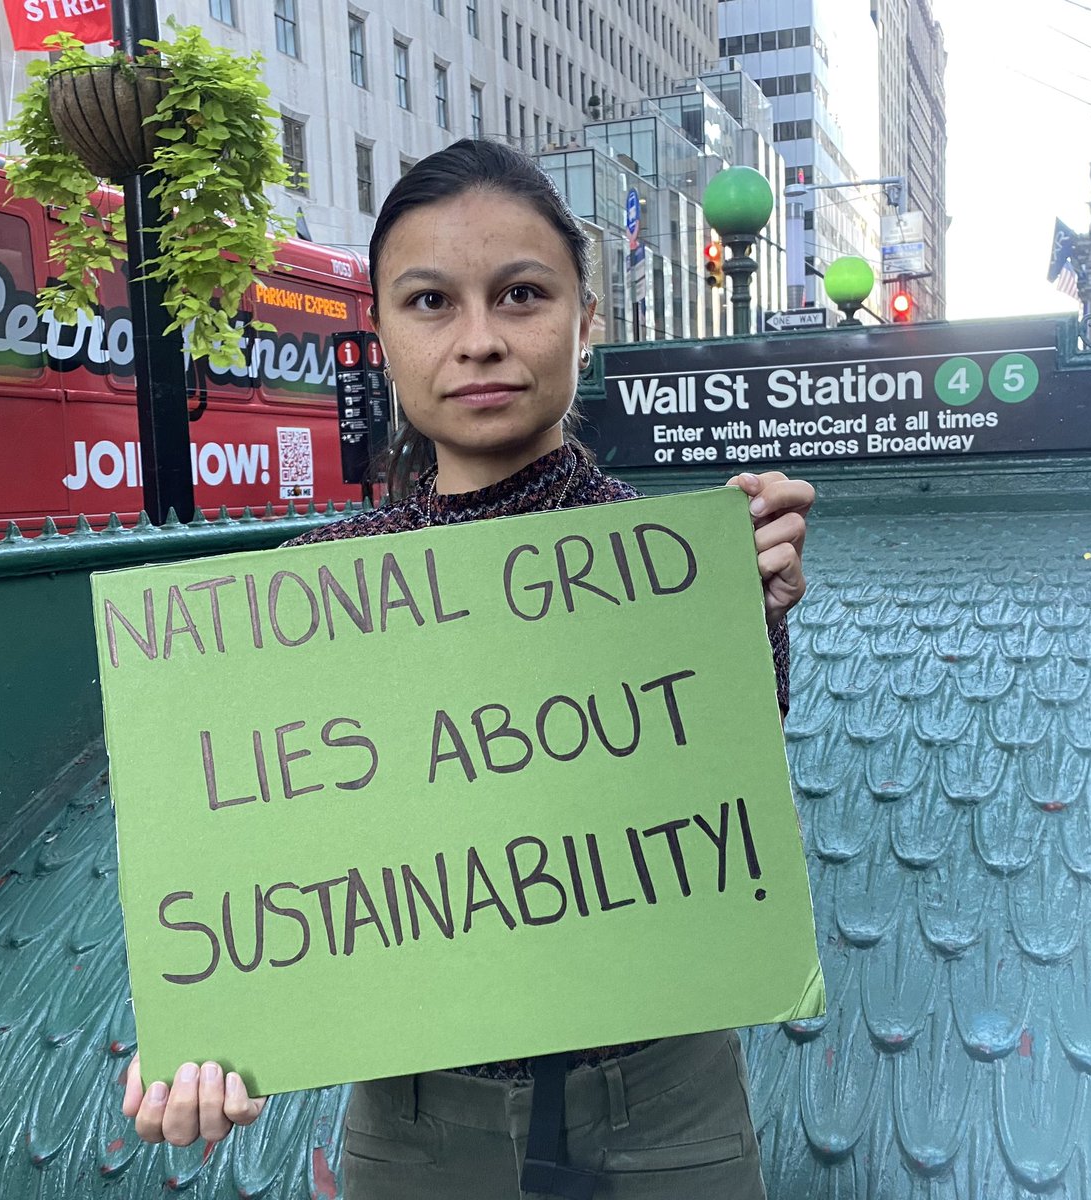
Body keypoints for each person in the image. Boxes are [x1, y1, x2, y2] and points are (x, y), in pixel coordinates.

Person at [122, 137, 814, 1198]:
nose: (480, 340)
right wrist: (204, 1040)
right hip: (413, 1123)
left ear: (588, 321)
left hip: (669, 1104)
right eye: (431, 302)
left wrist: (748, 615)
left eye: (522, 294)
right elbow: (255, 873)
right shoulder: (305, 601)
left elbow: (712, 816)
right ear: (384, 336)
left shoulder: (682, 567)